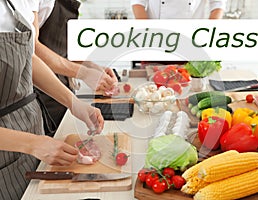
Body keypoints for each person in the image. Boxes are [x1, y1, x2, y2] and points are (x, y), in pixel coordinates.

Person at [0, 0, 103, 199]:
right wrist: (31, 144)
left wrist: (73, 103)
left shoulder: (19, 3)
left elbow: (29, 58)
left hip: (31, 127)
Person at [33, 0, 118, 136]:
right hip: (41, 93)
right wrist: (84, 73)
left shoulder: (70, 4)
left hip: (63, 91)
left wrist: (93, 67)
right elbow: (33, 50)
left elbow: (61, 47)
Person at [131, 0, 226, 19]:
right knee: (152, 71)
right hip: (156, 37)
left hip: (191, 39)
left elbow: (218, 4)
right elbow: (138, 3)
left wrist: (209, 31)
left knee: (190, 71)